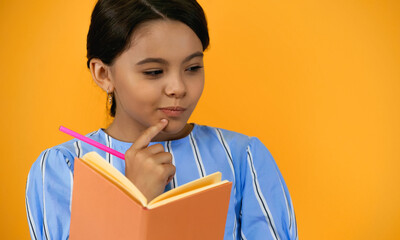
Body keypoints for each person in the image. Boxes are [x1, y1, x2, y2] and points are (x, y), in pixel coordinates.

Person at [25, 0, 298, 239]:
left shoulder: (243, 158)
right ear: (103, 74)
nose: (178, 87)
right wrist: (134, 199)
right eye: (155, 72)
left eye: (193, 67)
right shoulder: (63, 169)